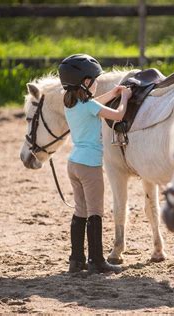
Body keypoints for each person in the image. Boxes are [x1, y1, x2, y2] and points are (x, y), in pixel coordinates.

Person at [58, 54, 132, 274]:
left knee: (80, 211)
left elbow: (94, 105)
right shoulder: (89, 105)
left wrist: (114, 91)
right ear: (86, 82)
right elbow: (118, 115)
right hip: (90, 167)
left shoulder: (71, 104)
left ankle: (76, 259)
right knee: (95, 212)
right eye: (94, 79)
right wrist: (125, 97)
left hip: (73, 164)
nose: (97, 82)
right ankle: (97, 261)